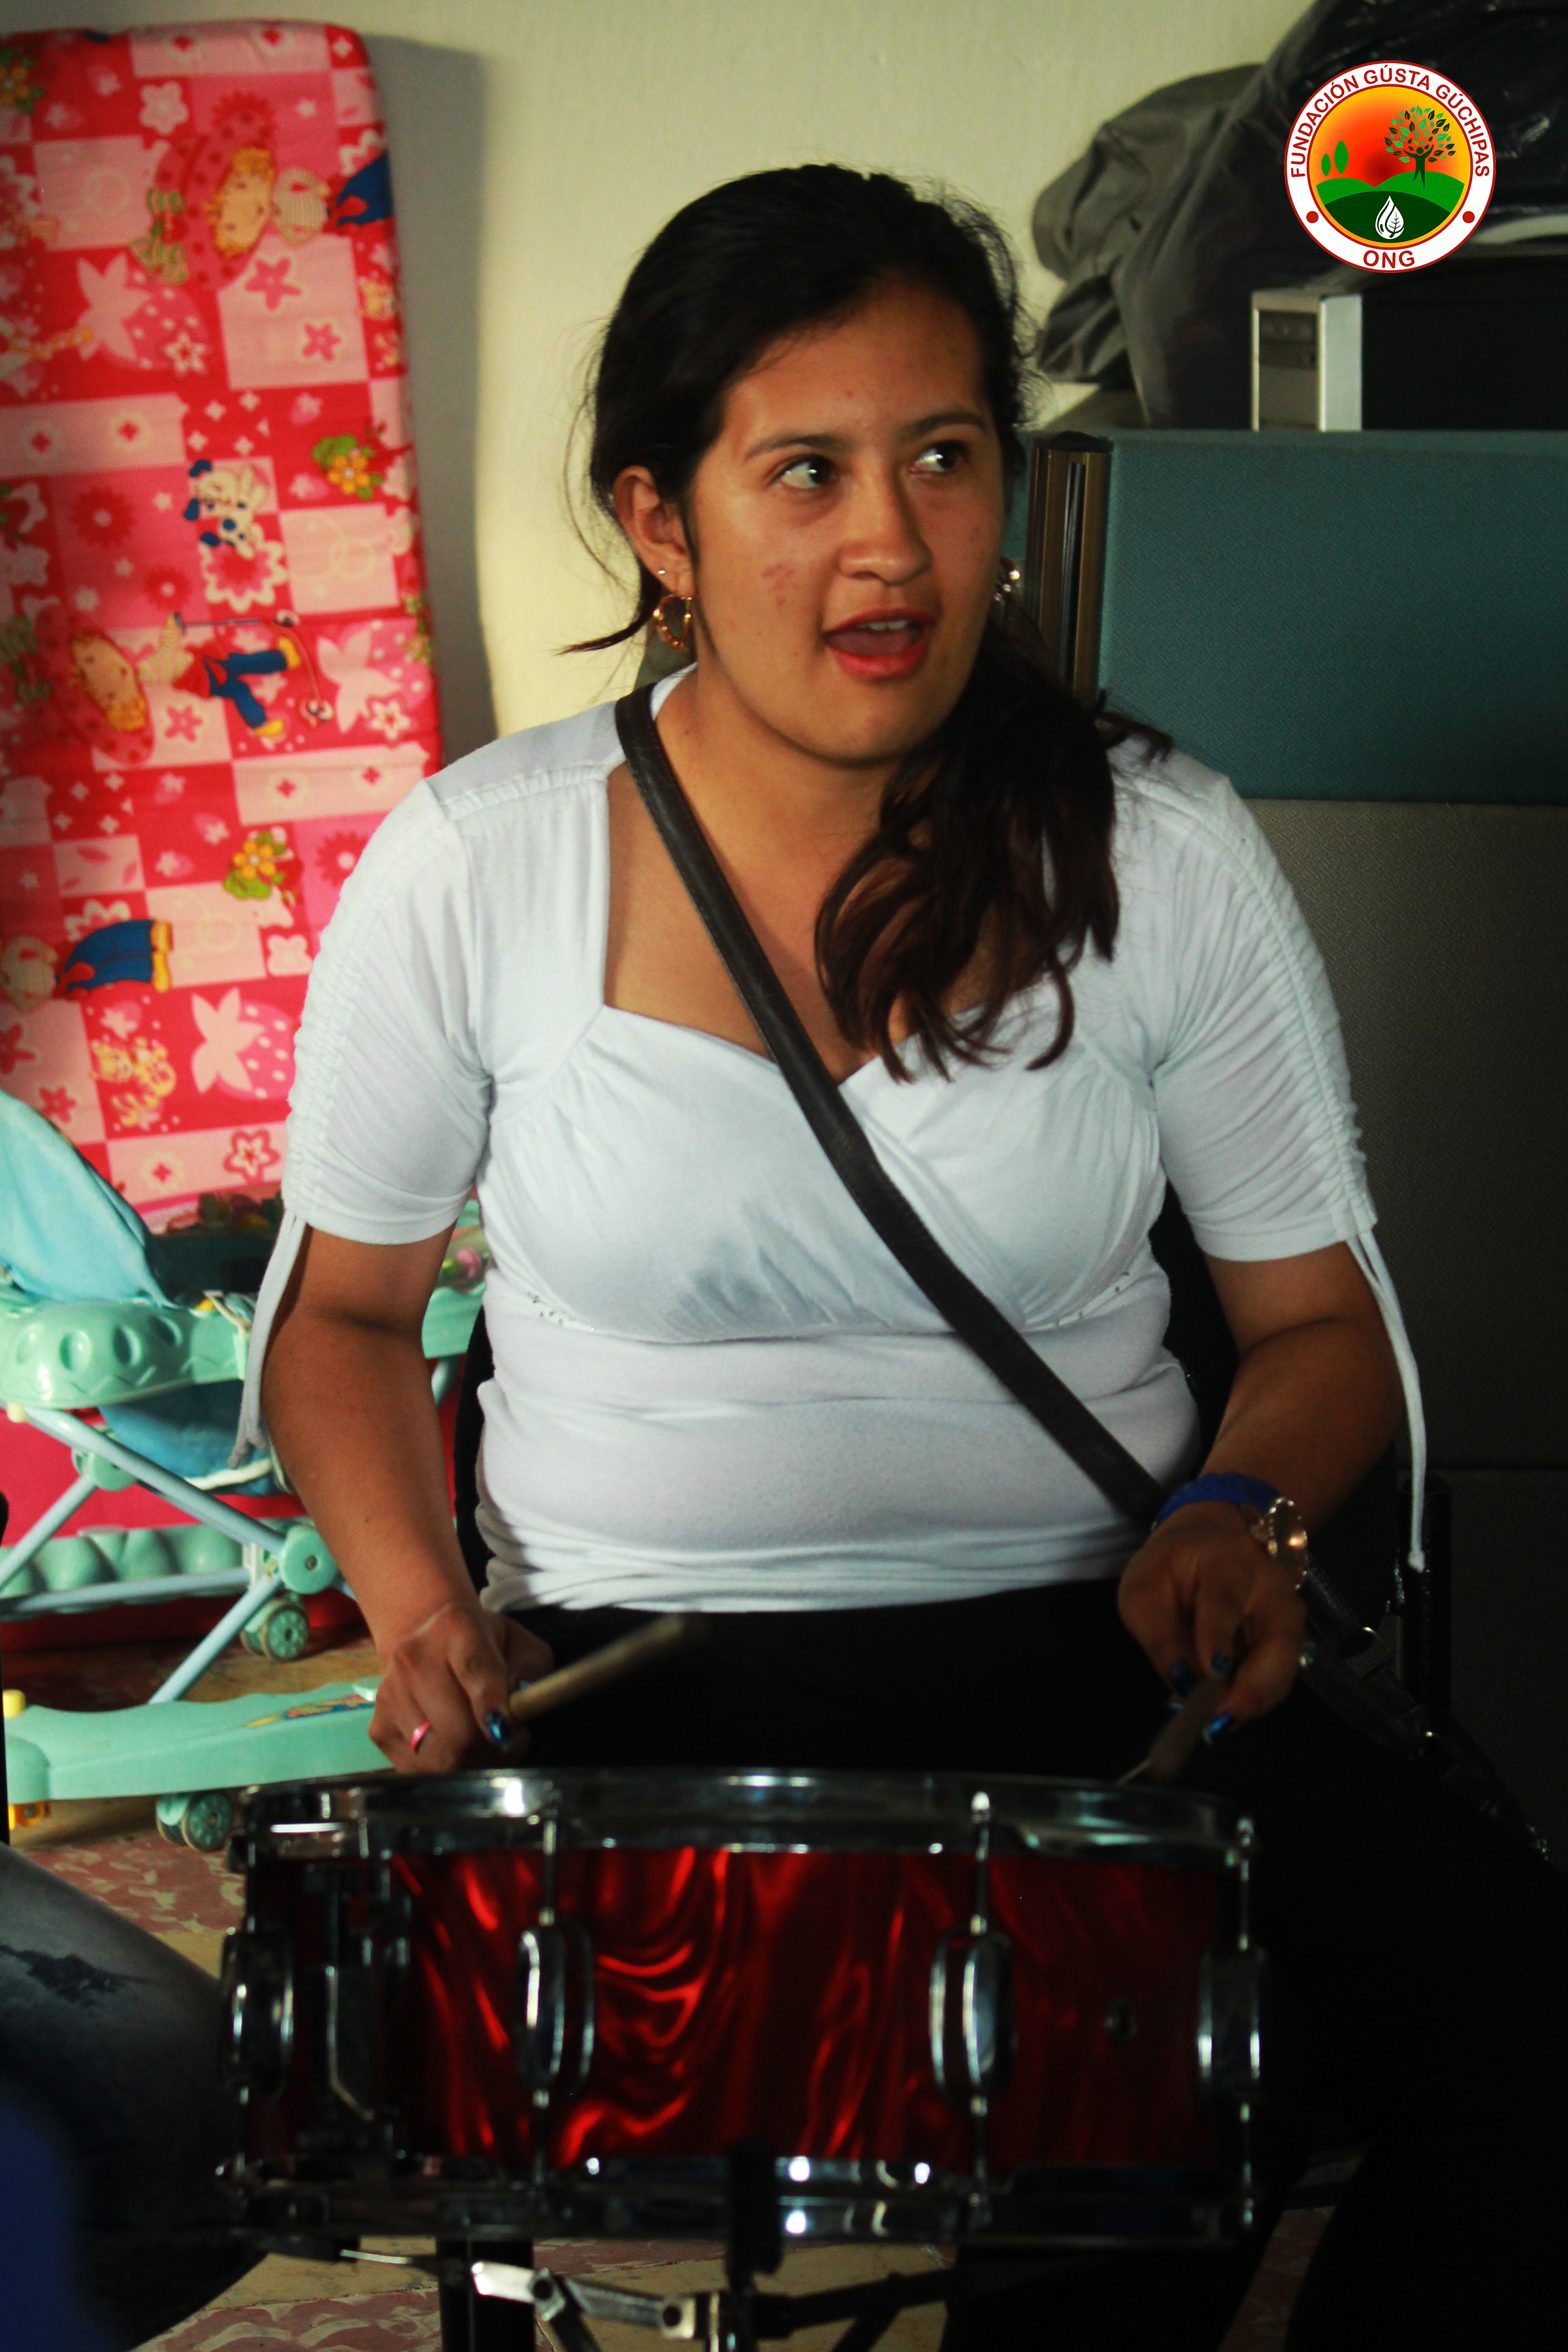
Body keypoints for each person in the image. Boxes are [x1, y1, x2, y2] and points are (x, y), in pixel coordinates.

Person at [245, 167, 1567, 2350]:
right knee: (519, 2132)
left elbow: (1320, 1327)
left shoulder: (1161, 848)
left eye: (944, 458)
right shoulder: (479, 863)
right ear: (661, 523)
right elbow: (349, 1318)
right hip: (637, 1674)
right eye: (807, 473)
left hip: (1097, 1661)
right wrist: (415, 1608)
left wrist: (1239, 1508)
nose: (892, 544)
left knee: (1509, 2034)